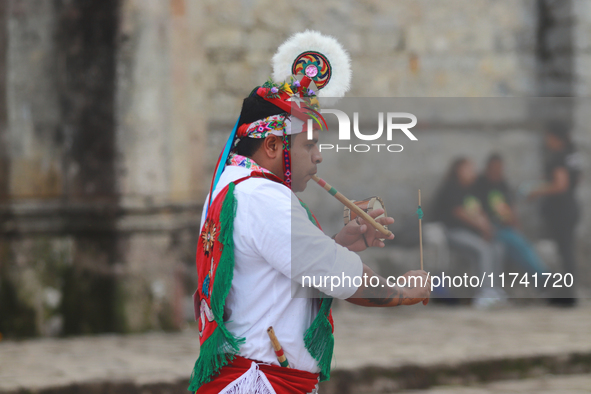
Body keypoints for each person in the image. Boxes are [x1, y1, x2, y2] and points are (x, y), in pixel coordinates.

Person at [189, 31, 431, 394]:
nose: (318, 156)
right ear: (272, 145)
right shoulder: (263, 197)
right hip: (260, 383)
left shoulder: (234, 185)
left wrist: (338, 244)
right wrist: (403, 290)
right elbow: (337, 277)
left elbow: (277, 273)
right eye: (310, 144)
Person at [431, 157, 505, 307]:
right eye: (469, 169)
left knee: (497, 248)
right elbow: (459, 213)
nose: (473, 173)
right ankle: (484, 293)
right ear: (459, 170)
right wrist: (482, 228)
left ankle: (495, 289)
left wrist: (487, 229)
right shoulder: (451, 188)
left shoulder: (473, 190)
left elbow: (480, 212)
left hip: (473, 234)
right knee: (483, 249)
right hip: (452, 232)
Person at [528, 122, 582, 306]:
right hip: (570, 207)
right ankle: (566, 294)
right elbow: (575, 179)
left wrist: (537, 191)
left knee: (563, 254)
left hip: (561, 211)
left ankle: (566, 296)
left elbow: (561, 185)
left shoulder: (559, 157)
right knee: (566, 253)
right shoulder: (571, 155)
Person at [474, 154, 548, 276]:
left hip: (505, 226)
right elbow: (476, 208)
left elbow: (511, 207)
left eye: (500, 168)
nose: (497, 171)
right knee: (517, 244)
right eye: (494, 168)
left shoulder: (503, 184)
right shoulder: (480, 184)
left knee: (520, 246)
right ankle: (543, 277)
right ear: (488, 168)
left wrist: (516, 224)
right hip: (490, 227)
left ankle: (542, 280)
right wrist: (485, 227)